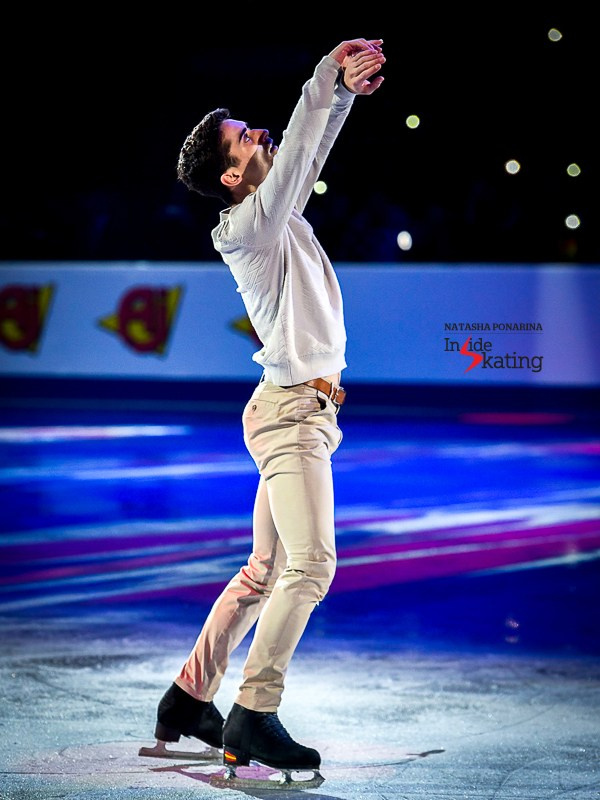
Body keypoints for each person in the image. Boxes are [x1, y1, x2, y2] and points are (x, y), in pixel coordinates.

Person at [147, 37, 385, 778]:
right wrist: (324, 77)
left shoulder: (271, 212)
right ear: (231, 174)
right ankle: (253, 713)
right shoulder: (248, 227)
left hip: (291, 409)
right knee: (310, 567)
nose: (259, 136)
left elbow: (306, 158)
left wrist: (341, 90)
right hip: (291, 419)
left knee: (264, 571)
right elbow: (296, 160)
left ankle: (190, 697)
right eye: (244, 137)